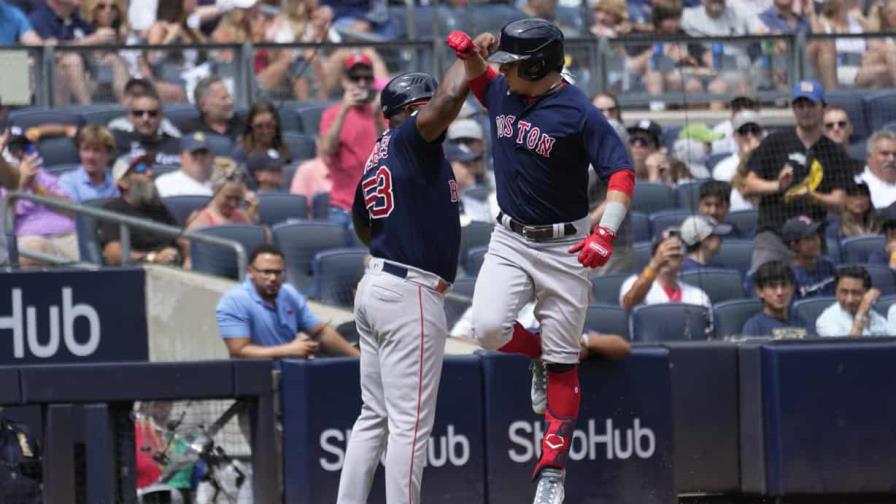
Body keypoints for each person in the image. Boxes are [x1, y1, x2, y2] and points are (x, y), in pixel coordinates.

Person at [447, 19, 635, 502]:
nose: (503, 70)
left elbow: (621, 171)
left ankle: (552, 470)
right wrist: (471, 54)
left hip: (565, 247)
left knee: (564, 362)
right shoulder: (506, 91)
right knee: (488, 328)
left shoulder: (578, 111)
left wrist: (605, 233)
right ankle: (536, 354)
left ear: (536, 65)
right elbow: (479, 80)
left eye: (513, 63)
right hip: (510, 239)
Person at [336, 66, 469, 503]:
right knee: (408, 426)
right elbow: (449, 97)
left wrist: (393, 239)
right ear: (410, 111)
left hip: (380, 282)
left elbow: (362, 222)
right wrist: (471, 59)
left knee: (372, 417)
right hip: (408, 290)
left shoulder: (382, 152)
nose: (434, 113)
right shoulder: (412, 139)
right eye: (422, 106)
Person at [743, 80, 854, 269]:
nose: (805, 111)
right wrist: (778, 186)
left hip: (811, 239)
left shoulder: (834, 151)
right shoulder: (775, 142)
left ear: (823, 107)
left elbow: (840, 202)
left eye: (811, 105)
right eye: (800, 105)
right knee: (765, 283)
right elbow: (749, 186)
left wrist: (812, 195)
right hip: (773, 235)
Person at [216, 244, 360, 364]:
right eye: (266, 272)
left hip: (291, 372)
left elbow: (320, 332)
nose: (272, 278)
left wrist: (359, 359)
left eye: (278, 272)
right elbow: (239, 351)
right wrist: (288, 350)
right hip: (255, 378)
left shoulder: (289, 293)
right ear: (250, 272)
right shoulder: (234, 301)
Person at [319, 52, 383, 227]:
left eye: (367, 78)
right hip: (344, 208)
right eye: (355, 78)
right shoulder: (331, 114)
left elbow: (387, 155)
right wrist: (344, 111)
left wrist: (378, 116)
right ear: (344, 81)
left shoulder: (382, 114)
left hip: (378, 208)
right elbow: (328, 149)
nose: (361, 83)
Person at [98, 154, 184, 266]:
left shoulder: (158, 207)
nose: (150, 173)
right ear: (123, 182)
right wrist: (153, 257)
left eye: (149, 167)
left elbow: (182, 239)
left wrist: (187, 257)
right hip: (138, 274)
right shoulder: (113, 209)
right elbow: (113, 254)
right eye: (141, 169)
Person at [620, 230, 712, 310]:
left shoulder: (697, 295)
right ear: (653, 257)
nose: (667, 258)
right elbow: (629, 303)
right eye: (662, 253)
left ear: (682, 259)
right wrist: (654, 266)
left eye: (674, 253)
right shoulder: (633, 282)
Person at [741, 260, 810, 338]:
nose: (780, 292)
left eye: (784, 285)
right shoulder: (754, 327)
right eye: (772, 286)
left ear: (792, 289)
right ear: (760, 292)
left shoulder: (802, 322)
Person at [112, 88, 181, 165]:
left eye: (152, 113)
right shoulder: (116, 142)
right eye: (138, 113)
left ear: (161, 116)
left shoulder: (178, 146)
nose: (145, 119)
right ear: (130, 117)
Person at [816, 266, 888, 336]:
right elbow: (850, 347)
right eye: (844, 292)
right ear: (836, 292)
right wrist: (861, 313)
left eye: (856, 293)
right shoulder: (826, 320)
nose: (849, 300)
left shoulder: (877, 318)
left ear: (867, 293)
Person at [58, 124, 120, 203]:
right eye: (85, 149)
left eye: (97, 150)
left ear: (109, 154)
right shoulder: (68, 182)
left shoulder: (117, 184)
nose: (90, 156)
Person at [781, 215, 836, 298]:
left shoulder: (828, 265)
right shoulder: (790, 276)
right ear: (794, 245)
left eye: (816, 236)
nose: (816, 241)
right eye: (809, 238)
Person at [186, 168, 258, 230]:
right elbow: (186, 242)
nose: (233, 204)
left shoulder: (242, 215)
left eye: (238, 199)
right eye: (228, 198)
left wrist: (252, 215)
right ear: (215, 191)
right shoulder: (200, 218)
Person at [179, 76, 246, 141]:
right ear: (203, 105)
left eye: (229, 97)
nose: (230, 102)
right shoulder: (191, 131)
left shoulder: (244, 123)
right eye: (223, 98)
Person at [154, 132, 215, 197]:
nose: (199, 157)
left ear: (211, 157)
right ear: (181, 156)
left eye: (203, 153)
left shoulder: (221, 187)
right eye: (194, 153)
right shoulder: (164, 184)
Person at [232, 100, 290, 165]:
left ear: (276, 124)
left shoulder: (285, 148)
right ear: (251, 126)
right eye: (259, 126)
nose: (265, 131)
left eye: (269, 125)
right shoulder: (241, 151)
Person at [713, 110, 765, 182]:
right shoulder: (723, 168)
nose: (749, 136)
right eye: (743, 131)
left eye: (754, 130)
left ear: (761, 134)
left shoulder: (772, 164)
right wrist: (747, 156)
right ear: (735, 136)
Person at [857, 130, 896, 209]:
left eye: (895, 154)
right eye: (885, 153)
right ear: (869, 157)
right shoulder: (857, 187)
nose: (892, 159)